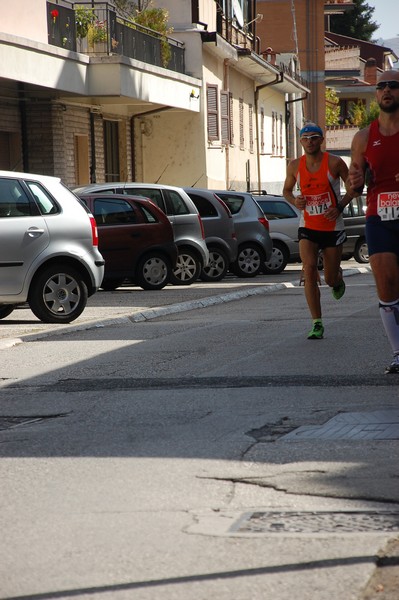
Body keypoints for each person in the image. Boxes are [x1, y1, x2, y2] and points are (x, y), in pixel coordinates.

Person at [346, 69, 399, 374]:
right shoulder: (364, 137)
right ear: (377, 95)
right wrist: (354, 179)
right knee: (386, 282)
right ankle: (397, 353)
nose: (387, 90)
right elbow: (356, 183)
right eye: (382, 87)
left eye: (393, 85)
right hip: (379, 215)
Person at [283, 123, 355, 339]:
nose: (310, 141)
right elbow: (286, 190)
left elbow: (353, 187)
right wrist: (295, 200)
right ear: (301, 141)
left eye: (314, 137)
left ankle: (337, 279)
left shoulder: (335, 162)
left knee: (330, 278)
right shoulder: (295, 165)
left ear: (322, 140)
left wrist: (340, 206)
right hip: (308, 226)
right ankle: (317, 323)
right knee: (309, 269)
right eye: (306, 138)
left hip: (332, 227)